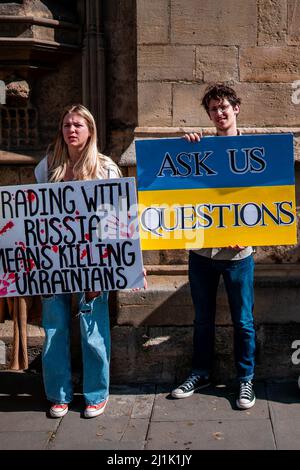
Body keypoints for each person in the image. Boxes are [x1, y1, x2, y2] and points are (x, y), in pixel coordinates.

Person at [35, 104, 129, 418]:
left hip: (93, 262)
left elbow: (118, 220)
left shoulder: (106, 168)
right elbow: (33, 217)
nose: (71, 130)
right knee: (54, 328)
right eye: (66, 125)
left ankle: (96, 393)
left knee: (93, 327)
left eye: (77, 125)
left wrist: (119, 265)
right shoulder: (48, 167)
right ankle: (59, 394)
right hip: (53, 261)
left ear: (90, 130)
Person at [171, 84, 256, 409]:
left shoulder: (255, 150)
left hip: (238, 253)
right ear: (209, 115)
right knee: (202, 319)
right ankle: (200, 372)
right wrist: (185, 149)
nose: (219, 113)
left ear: (236, 109)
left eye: (224, 107)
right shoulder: (199, 148)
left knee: (243, 320)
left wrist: (249, 234)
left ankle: (245, 379)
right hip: (202, 251)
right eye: (213, 109)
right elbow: (180, 189)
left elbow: (265, 200)